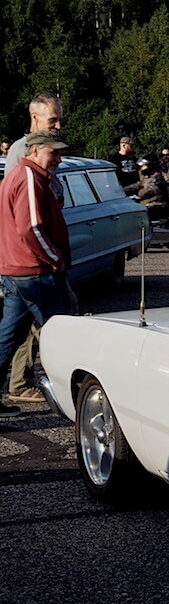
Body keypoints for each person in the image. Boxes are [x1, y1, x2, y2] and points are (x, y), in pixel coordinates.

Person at [0, 131, 75, 418]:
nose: (58, 158)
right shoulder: (30, 178)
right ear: (34, 151)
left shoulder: (18, 175)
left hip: (16, 271)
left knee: (9, 336)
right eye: (52, 152)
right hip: (35, 272)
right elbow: (30, 228)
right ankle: (73, 397)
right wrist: (54, 259)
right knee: (65, 331)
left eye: (59, 152)